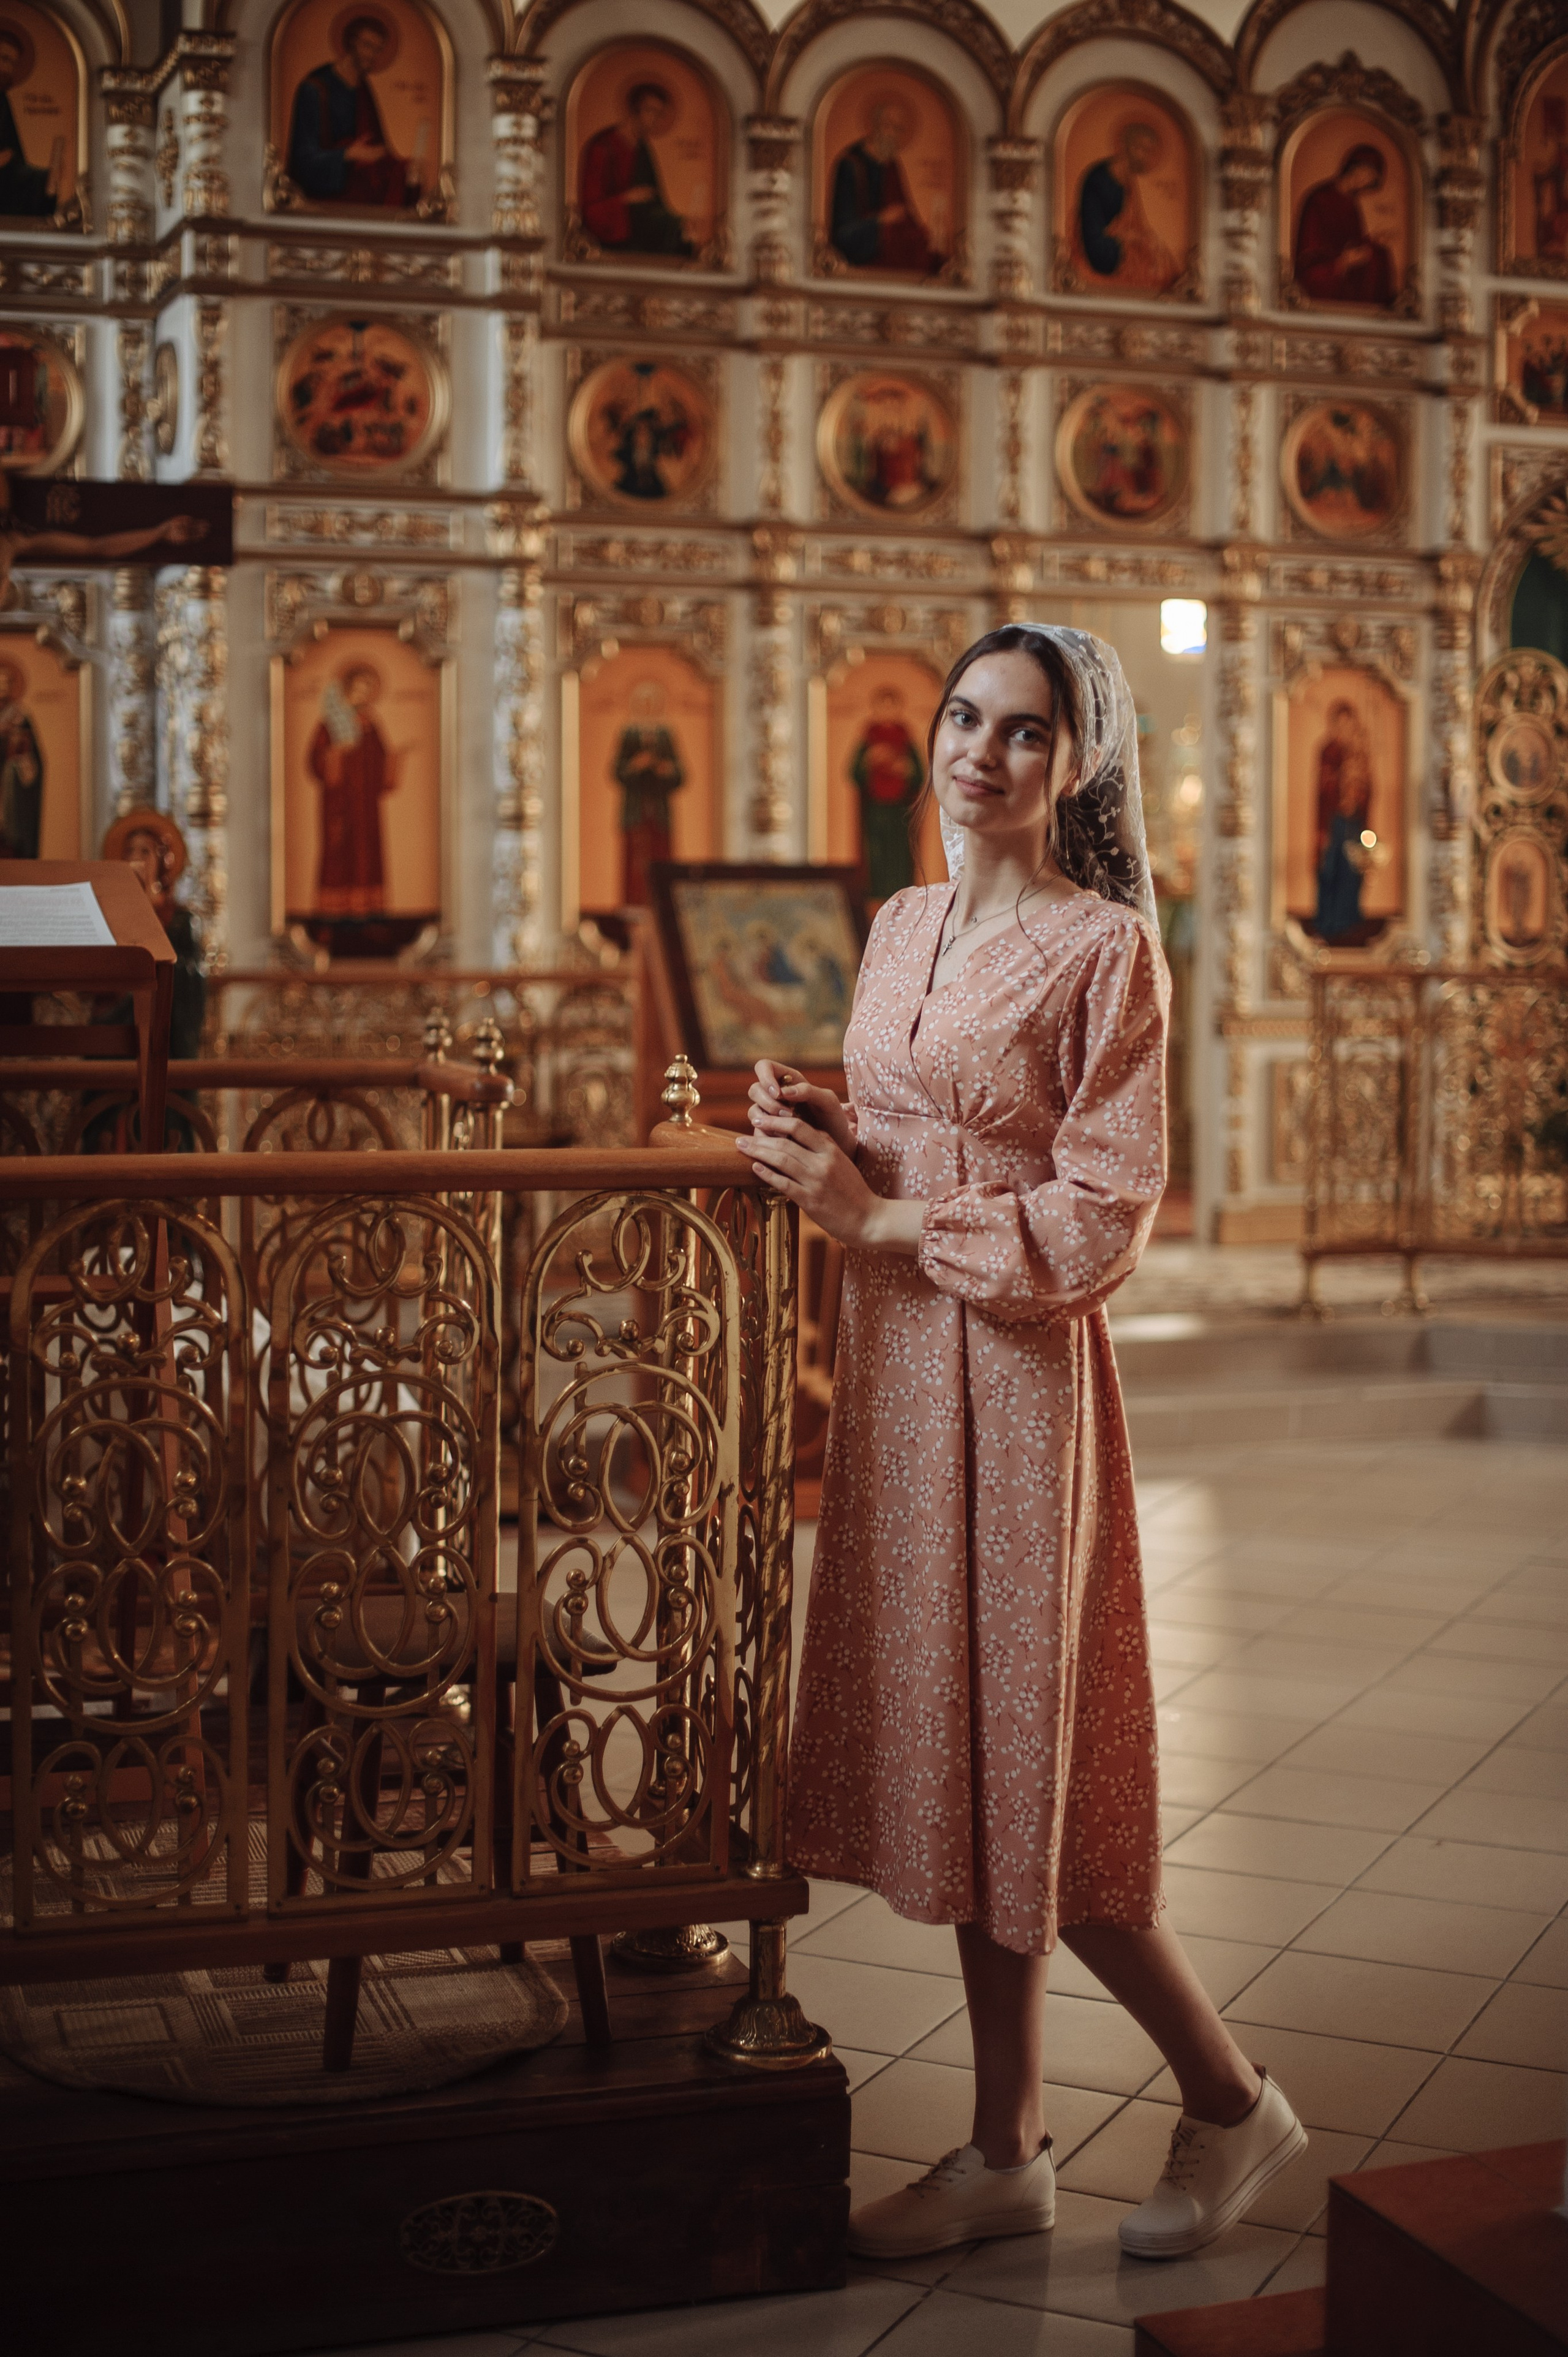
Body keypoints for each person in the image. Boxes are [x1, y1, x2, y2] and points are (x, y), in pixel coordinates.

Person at [739, 624, 1305, 2264]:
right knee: (964, 1763)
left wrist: (882, 1213)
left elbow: (1105, 1208)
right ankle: (1006, 2148)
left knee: (1030, 1768)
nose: (981, 753)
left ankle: (1228, 2097)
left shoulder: (1105, 947)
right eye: (964, 717)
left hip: (1015, 1377)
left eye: (1026, 730)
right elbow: (919, 1127)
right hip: (899, 1376)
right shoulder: (898, 921)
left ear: (1078, 763)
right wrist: (837, 1134)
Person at [287, 15, 415, 210]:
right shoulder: (315, 88)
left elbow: (376, 145)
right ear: (350, 43)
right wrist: (348, 154)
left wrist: (404, 167)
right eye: (367, 45)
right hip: (328, 194)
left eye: (378, 50)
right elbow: (303, 162)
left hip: (361, 185)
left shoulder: (362, 87)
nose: (372, 55)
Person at [306, 662, 396, 916]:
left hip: (366, 805)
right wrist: (334, 754)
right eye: (358, 689)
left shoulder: (371, 725)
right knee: (339, 851)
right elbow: (315, 761)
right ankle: (333, 914)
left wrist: (393, 762)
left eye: (367, 691)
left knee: (368, 852)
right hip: (339, 804)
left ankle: (369, 911)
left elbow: (381, 759)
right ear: (347, 689)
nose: (362, 695)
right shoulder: (330, 724)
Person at [829, 96, 944, 275]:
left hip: (890, 243)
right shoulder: (851, 164)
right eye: (888, 126)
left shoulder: (891, 164)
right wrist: (880, 220)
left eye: (898, 129)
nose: (892, 135)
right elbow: (843, 234)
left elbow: (904, 212)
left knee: (934, 258)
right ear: (874, 126)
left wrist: (922, 233)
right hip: (863, 248)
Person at [578, 82, 695, 257]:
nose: (655, 119)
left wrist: (680, 223)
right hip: (615, 234)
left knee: (681, 235)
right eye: (651, 111)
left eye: (660, 114)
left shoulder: (642, 148)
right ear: (634, 110)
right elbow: (591, 209)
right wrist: (626, 198)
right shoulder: (603, 147)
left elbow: (654, 200)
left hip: (640, 228)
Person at [1076, 118, 1178, 292]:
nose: (1144, 156)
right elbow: (1094, 231)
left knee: (1161, 255)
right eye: (1140, 148)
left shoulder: (1127, 179)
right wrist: (1129, 238)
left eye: (1148, 151)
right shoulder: (1098, 178)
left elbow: (1134, 222)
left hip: (1120, 242)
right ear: (1125, 145)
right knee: (1152, 265)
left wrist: (1144, 238)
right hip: (1101, 250)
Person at [1293, 143, 1398, 308]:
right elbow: (1310, 252)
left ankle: (1378, 311)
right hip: (1321, 269)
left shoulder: (1350, 203)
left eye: (1369, 180)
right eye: (1365, 174)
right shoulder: (1319, 198)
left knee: (1379, 254)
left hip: (1346, 262)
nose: (1363, 182)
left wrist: (1370, 242)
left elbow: (1352, 239)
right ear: (1353, 166)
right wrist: (1342, 261)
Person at [848, 684, 925, 901]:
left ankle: (902, 894)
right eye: (883, 706)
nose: (887, 711)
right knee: (876, 853)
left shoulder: (906, 738)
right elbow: (854, 772)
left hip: (901, 808)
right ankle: (876, 896)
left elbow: (920, 775)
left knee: (899, 853)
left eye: (892, 707)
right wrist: (870, 760)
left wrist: (905, 769)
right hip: (875, 808)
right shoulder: (868, 738)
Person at [612, 679, 685, 904]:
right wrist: (636, 766)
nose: (648, 708)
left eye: (652, 704)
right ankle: (632, 904)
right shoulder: (629, 734)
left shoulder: (665, 735)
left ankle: (662, 903)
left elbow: (680, 774)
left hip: (660, 813)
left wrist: (666, 771)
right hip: (636, 811)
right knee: (634, 860)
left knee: (661, 857)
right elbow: (617, 772)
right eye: (644, 704)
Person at [1311, 699, 1374, 942]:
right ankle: (1329, 922)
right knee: (1331, 868)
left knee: (1352, 870)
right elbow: (1325, 787)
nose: (1345, 729)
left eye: (1349, 724)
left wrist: (1358, 789)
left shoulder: (1358, 751)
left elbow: (1367, 787)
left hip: (1354, 821)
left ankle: (1349, 921)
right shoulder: (1329, 752)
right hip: (1333, 821)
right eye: (1340, 724)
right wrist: (1341, 781)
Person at [0, 27, 56, 218]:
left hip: (5, 176)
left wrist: (11, 159)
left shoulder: (2, 100)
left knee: (44, 179)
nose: (8, 69)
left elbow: (12, 148)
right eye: (4, 59)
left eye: (12, 63)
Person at [0, 656, 42, 858]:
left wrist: (22, 756)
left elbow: (34, 762)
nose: (3, 687)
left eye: (8, 682)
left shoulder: (20, 718)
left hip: (10, 793)